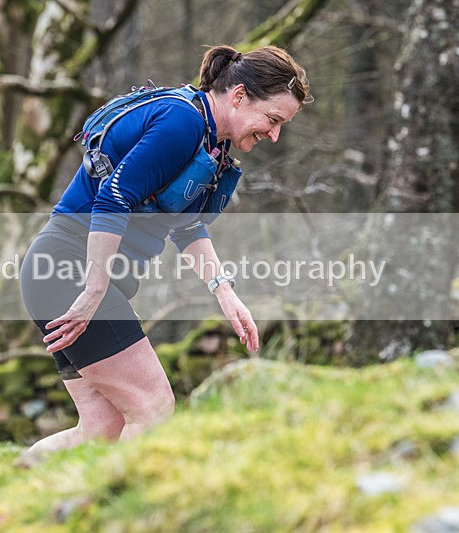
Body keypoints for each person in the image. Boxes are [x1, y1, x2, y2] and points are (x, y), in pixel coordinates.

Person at [17, 45, 312, 466]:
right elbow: (114, 198)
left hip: (60, 274)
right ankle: (122, 511)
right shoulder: (182, 121)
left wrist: (224, 292)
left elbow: (187, 225)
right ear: (240, 96)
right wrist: (94, 289)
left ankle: (15, 493)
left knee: (101, 429)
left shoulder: (211, 142)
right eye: (273, 120)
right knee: (153, 406)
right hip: (68, 270)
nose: (274, 134)